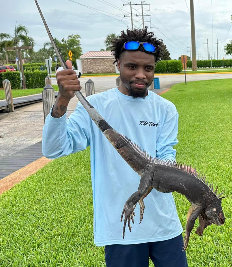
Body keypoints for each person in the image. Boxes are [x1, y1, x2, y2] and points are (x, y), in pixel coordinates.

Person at [42, 28, 188, 267]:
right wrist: (63, 100)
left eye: (148, 69)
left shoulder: (166, 109)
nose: (141, 75)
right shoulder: (96, 106)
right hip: (121, 228)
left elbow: (167, 157)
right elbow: (55, 149)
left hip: (164, 225)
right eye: (132, 67)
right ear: (118, 64)